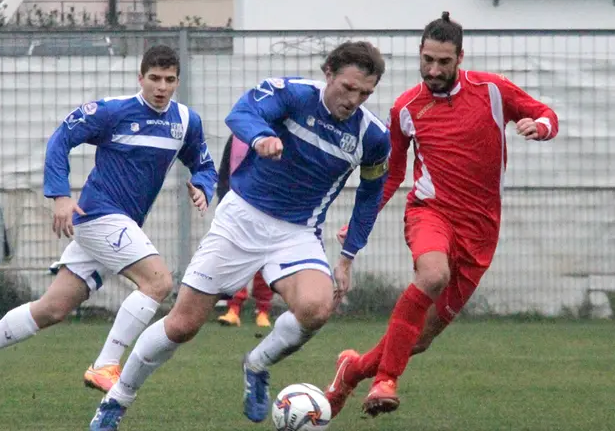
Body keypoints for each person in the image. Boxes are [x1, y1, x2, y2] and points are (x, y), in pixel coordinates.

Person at [89, 41, 392, 430]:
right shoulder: (292, 94)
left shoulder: (373, 137)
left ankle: (257, 364)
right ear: (328, 72)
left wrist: (348, 256)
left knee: (317, 308)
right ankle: (117, 399)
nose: (353, 100)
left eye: (364, 93)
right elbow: (243, 112)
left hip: (297, 232)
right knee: (182, 324)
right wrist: (261, 135)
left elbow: (370, 194)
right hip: (241, 220)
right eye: (348, 88)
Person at [0, 44, 218, 405]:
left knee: (52, 308)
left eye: (169, 80)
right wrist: (59, 196)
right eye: (154, 79)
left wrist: (203, 187)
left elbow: (205, 164)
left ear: (177, 81)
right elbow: (61, 140)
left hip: (119, 223)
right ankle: (105, 364)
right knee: (158, 281)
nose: (161, 87)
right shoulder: (112, 111)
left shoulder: (185, 121)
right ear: (140, 78)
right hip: (100, 214)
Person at [324, 12, 560, 419]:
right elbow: (392, 173)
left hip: (482, 230)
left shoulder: (491, 91)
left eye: (443, 62)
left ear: (460, 58)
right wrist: (366, 216)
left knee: (417, 338)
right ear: (419, 54)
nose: (433, 70)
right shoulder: (406, 107)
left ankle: (351, 372)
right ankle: (386, 382)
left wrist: (539, 127)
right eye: (427, 60)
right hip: (430, 212)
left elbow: (546, 114)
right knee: (433, 275)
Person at [215, 134, 274, 328]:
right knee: (236, 259)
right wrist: (223, 199)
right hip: (238, 208)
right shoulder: (236, 137)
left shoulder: (278, 135)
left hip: (268, 208)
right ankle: (233, 309)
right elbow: (224, 172)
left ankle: (263, 311)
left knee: (264, 259)